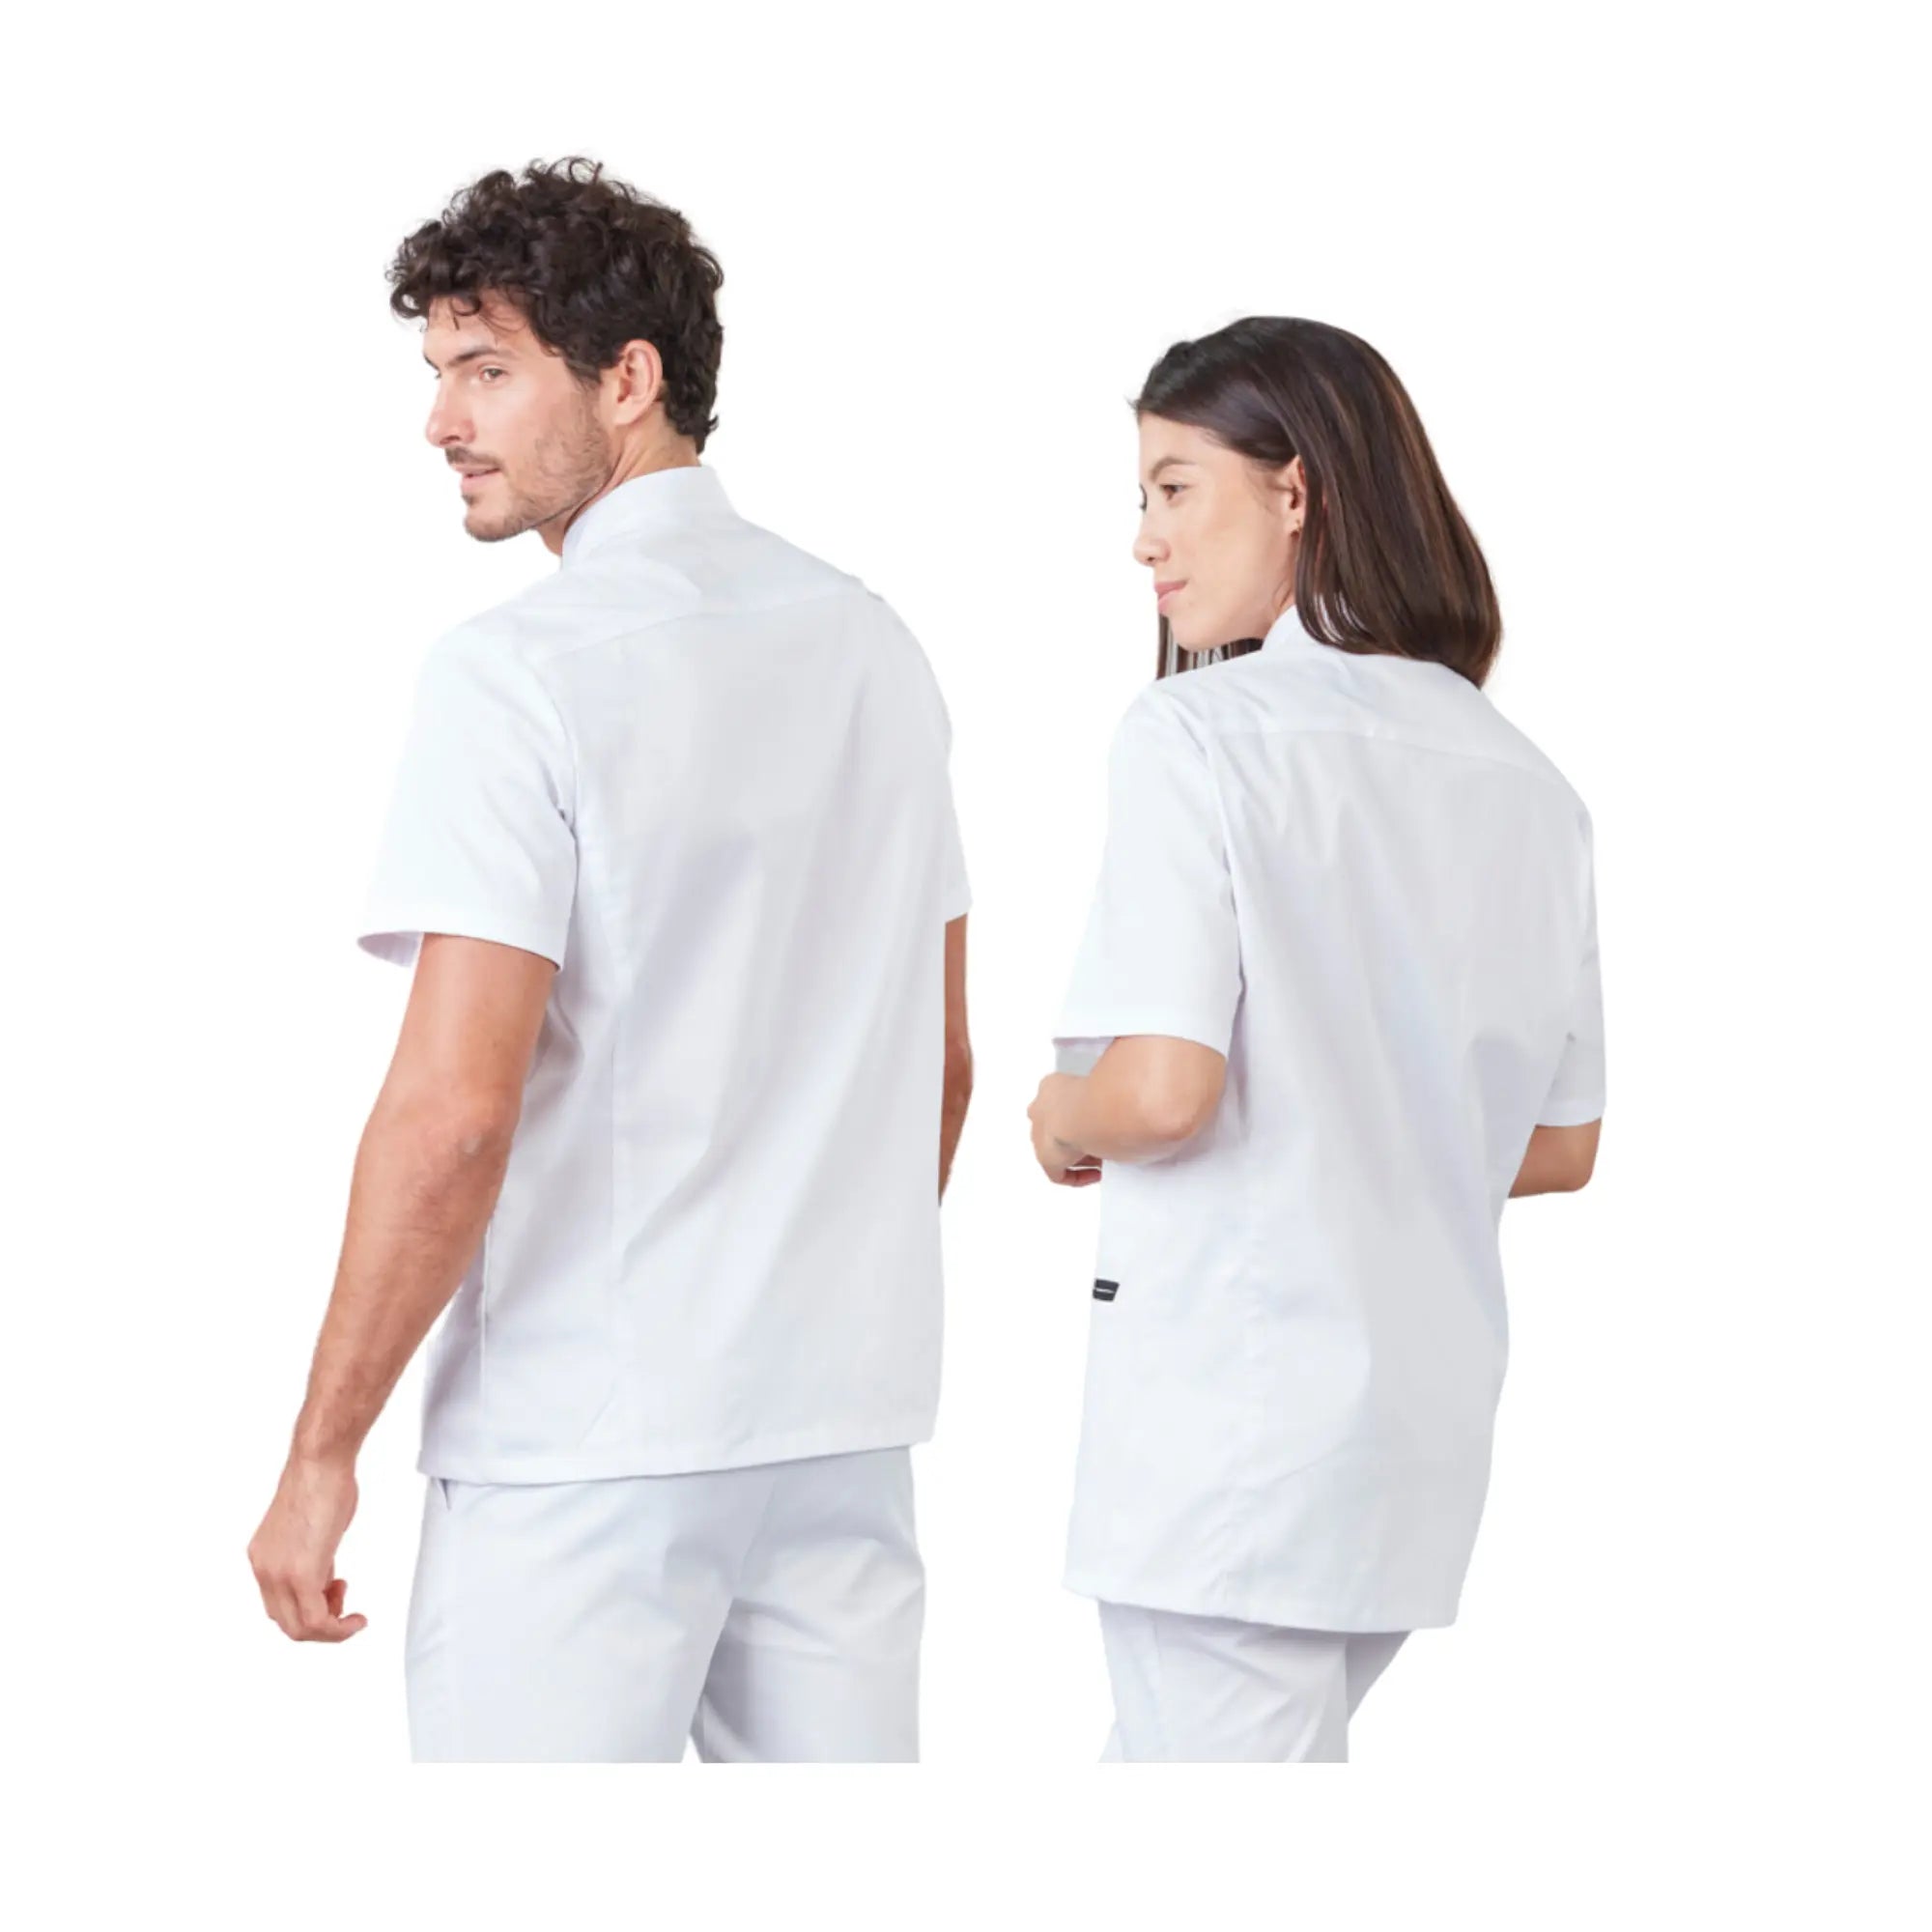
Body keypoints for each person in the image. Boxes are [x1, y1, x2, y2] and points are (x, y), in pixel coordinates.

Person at [245, 157, 974, 1762]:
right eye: (439, 372)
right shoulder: (875, 644)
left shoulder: (519, 675)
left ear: (628, 380)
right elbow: (940, 1063)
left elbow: (453, 1116)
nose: (441, 421)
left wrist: (322, 1451)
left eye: (487, 370)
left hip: (585, 1445)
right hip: (841, 1437)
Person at [1029, 317, 1605, 1762]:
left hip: (1236, 1440)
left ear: (1295, 491)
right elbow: (1560, 1142)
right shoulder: (1529, 784)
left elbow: (1160, 1094)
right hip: (1407, 1440)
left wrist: (1059, 1111)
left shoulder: (1198, 735)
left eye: (1176, 487)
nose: (1144, 540)